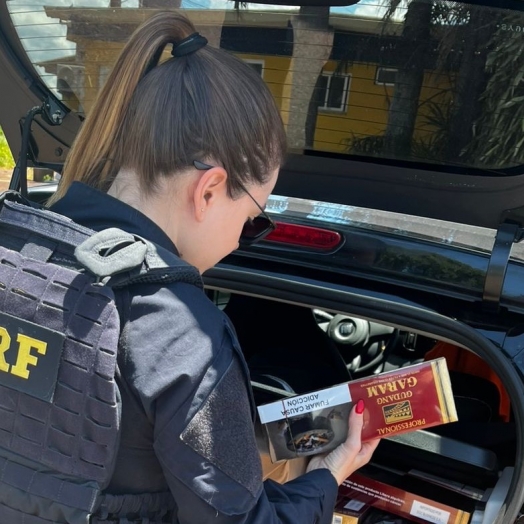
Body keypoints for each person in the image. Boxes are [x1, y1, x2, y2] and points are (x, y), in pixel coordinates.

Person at [45, 10, 380, 523]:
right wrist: (328, 475)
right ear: (208, 190)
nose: (239, 242)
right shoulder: (183, 339)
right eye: (251, 219)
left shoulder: (19, 250)